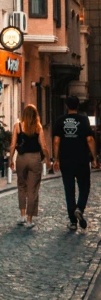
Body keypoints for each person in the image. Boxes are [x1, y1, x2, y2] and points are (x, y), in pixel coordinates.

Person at [53, 95, 97, 231]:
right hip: (82, 160)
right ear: (78, 106)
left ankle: (72, 222)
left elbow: (56, 141)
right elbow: (90, 139)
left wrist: (56, 159)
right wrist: (94, 158)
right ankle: (80, 208)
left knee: (69, 189)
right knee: (85, 187)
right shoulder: (83, 120)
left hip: (66, 160)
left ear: (67, 106)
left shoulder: (60, 120)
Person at [9, 104, 50, 228]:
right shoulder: (38, 127)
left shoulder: (18, 126)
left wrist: (11, 159)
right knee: (33, 189)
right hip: (34, 158)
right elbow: (43, 146)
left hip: (21, 159)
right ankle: (29, 220)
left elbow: (12, 145)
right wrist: (48, 159)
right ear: (35, 115)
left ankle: (22, 215)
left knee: (21, 186)